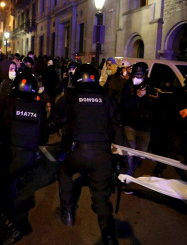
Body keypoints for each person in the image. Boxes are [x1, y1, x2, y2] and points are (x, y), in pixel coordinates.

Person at [54, 64, 119, 245]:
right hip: (102, 153)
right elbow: (116, 120)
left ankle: (67, 213)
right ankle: (108, 235)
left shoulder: (70, 96)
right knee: (100, 194)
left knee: (65, 173)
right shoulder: (106, 97)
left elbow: (57, 117)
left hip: (77, 151)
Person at [0, 71, 48, 244]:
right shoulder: (39, 107)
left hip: (8, 153)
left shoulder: (6, 102)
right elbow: (43, 136)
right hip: (28, 156)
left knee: (1, 191)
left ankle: (9, 224)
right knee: (8, 186)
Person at [120, 62, 158, 183]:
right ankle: (127, 179)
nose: (138, 76)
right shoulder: (128, 87)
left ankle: (129, 171)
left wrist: (155, 99)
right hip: (131, 125)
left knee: (141, 155)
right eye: (136, 74)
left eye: (141, 74)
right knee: (129, 154)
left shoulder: (150, 85)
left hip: (145, 127)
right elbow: (123, 105)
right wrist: (137, 96)